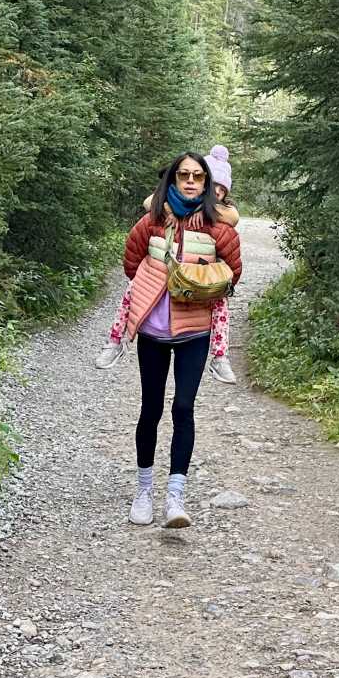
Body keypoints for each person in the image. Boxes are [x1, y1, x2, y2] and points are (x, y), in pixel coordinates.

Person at [119, 150, 242, 528]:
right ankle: (143, 493)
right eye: (183, 175)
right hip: (154, 333)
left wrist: (203, 279)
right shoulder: (151, 223)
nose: (190, 181)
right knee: (151, 409)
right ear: (171, 180)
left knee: (183, 408)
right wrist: (156, 285)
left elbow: (233, 274)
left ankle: (175, 497)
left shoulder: (218, 229)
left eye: (197, 176)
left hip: (194, 333)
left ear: (207, 184)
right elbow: (131, 262)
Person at [97, 145, 239, 382]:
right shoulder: (158, 213)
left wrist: (206, 213)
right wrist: (147, 279)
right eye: (185, 175)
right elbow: (132, 256)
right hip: (155, 312)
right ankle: (114, 341)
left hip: (197, 302)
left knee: (220, 302)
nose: (216, 193)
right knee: (133, 289)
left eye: (220, 190)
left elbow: (233, 269)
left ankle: (220, 356)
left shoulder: (220, 219)